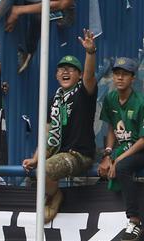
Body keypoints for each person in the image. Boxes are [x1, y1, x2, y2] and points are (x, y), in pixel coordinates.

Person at [22, 30, 98, 223]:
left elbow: (90, 78)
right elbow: (47, 134)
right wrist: (35, 158)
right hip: (59, 154)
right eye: (61, 69)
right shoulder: (53, 100)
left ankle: (55, 196)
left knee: (45, 170)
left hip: (80, 154)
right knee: (33, 172)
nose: (65, 72)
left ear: (79, 75)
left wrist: (90, 53)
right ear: (56, 75)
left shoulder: (83, 93)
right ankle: (51, 194)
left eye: (71, 69)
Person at [97, 57, 144, 241]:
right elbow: (111, 128)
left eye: (124, 75)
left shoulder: (141, 102)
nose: (120, 78)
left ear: (133, 78)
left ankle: (135, 220)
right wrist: (108, 154)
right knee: (103, 169)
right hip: (121, 149)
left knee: (122, 167)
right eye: (117, 74)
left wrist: (118, 159)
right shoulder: (110, 98)